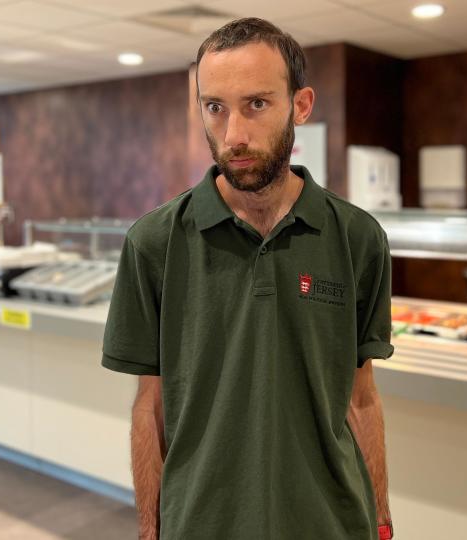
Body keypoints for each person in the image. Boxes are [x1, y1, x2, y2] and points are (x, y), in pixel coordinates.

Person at [101, 17, 395, 540]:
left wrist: (382, 520)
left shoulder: (357, 238)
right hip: (201, 523)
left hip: (332, 522)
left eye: (256, 104)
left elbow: (361, 395)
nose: (234, 134)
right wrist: (150, 529)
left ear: (300, 106)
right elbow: (151, 404)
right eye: (215, 108)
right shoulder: (153, 242)